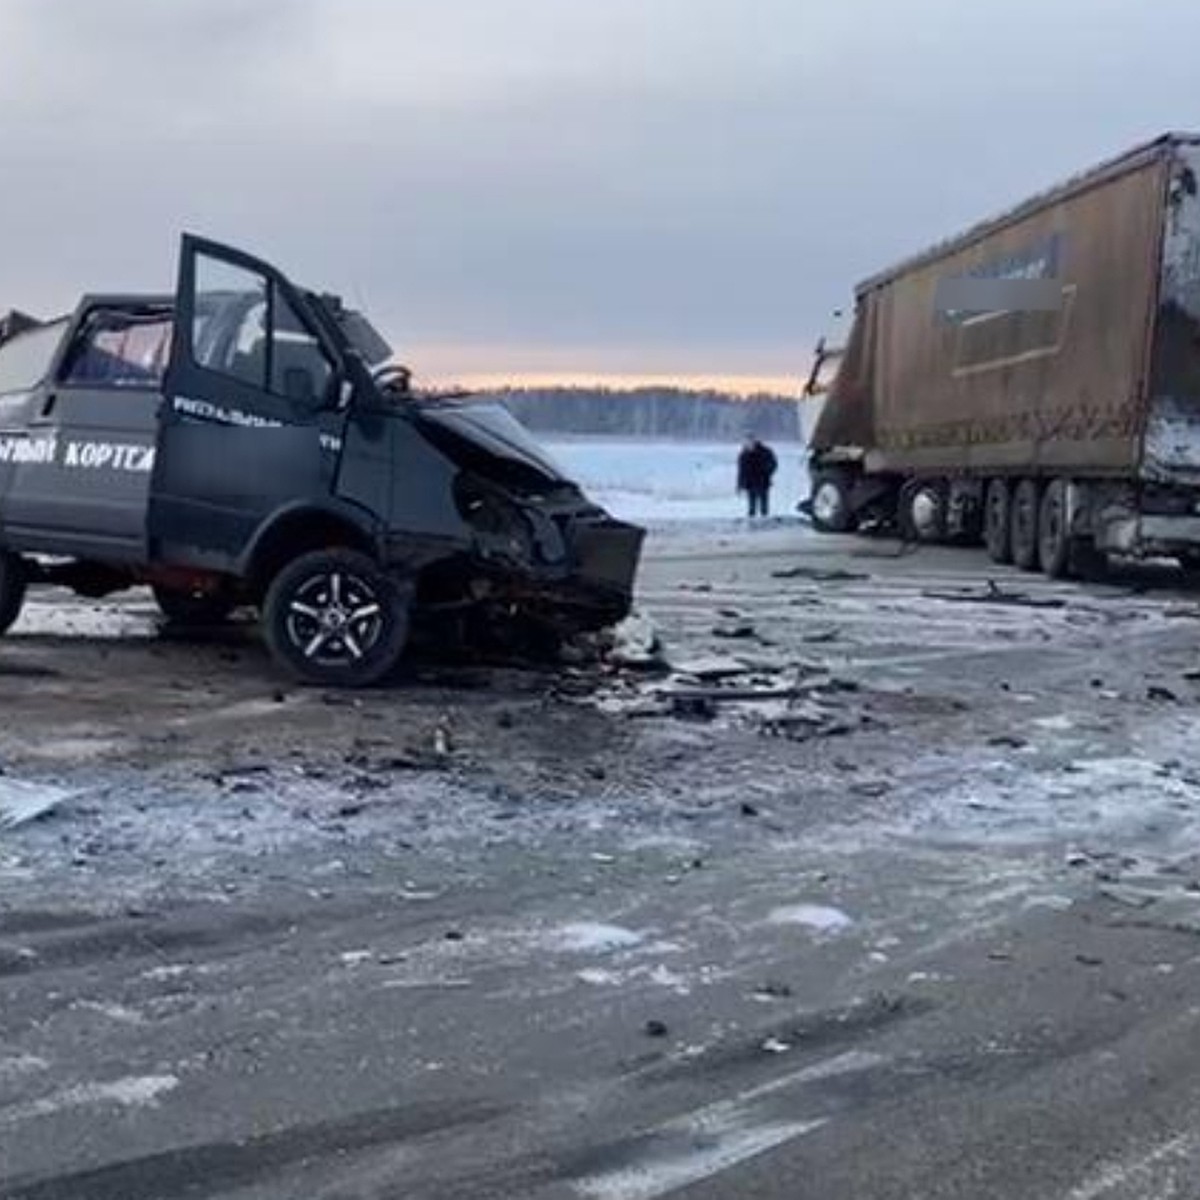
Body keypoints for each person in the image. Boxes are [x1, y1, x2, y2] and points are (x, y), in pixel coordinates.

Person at [737, 436, 778, 518]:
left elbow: (773, 464)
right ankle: (752, 521)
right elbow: (741, 471)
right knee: (751, 507)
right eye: (746, 442)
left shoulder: (765, 451)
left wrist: (767, 472)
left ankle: (765, 520)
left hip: (763, 481)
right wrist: (740, 485)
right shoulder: (743, 454)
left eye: (750, 441)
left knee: (764, 507)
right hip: (750, 483)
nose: (748, 444)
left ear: (755, 441)